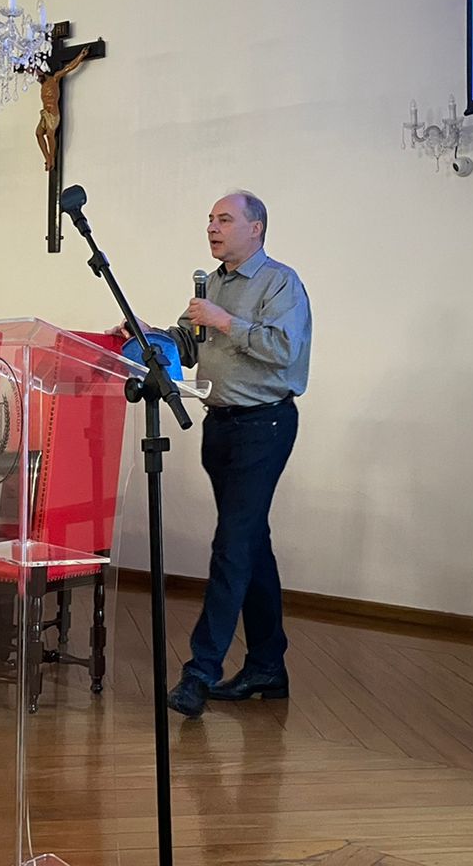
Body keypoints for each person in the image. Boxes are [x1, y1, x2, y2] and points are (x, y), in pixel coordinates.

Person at [133, 191, 312, 719]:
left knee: (232, 545)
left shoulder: (280, 282)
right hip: (222, 427)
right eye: (210, 219)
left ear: (256, 228)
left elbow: (285, 349)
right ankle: (267, 667)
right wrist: (150, 333)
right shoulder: (212, 285)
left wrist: (226, 320)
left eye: (225, 219)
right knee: (250, 543)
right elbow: (191, 345)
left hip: (264, 425)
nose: (212, 227)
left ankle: (200, 672)